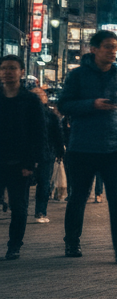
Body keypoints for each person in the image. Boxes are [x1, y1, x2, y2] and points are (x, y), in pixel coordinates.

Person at [58, 30, 117, 263]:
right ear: (94, 49)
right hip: (82, 146)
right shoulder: (77, 76)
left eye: (115, 47)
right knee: (78, 196)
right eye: (107, 47)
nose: (113, 51)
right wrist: (91, 104)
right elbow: (64, 105)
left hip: (113, 147)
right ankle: (72, 241)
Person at [0, 56, 46, 259]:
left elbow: (38, 133)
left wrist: (31, 163)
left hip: (20, 163)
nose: (7, 72)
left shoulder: (30, 100)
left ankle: (14, 245)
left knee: (19, 207)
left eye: (12, 68)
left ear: (21, 72)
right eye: (3, 68)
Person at [34, 87, 65, 224]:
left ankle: (36, 210)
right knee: (44, 183)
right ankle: (40, 211)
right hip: (46, 153)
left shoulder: (47, 115)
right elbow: (58, 135)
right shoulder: (51, 115)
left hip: (41, 153)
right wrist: (60, 151)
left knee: (41, 183)